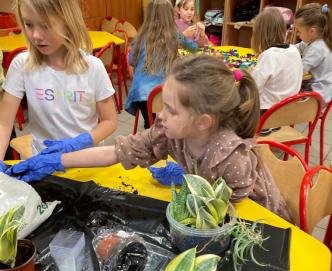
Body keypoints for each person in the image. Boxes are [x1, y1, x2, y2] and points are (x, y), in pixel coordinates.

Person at [7, 55, 292, 222]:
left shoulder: (232, 158)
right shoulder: (170, 131)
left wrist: (195, 181)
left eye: (171, 109)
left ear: (203, 122)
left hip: (261, 221)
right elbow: (116, 152)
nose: (160, 115)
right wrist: (57, 160)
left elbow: (236, 212)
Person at [0, 0, 117, 168]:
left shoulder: (93, 67)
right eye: (29, 24)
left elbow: (110, 121)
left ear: (68, 22)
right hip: (44, 164)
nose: (35, 35)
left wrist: (81, 141)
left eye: (45, 25)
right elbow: (4, 123)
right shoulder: (22, 65)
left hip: (87, 163)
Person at [126, 0, 198, 130]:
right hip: (164, 94)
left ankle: (151, 132)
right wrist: (189, 36)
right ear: (170, 15)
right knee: (167, 122)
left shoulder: (141, 36)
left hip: (141, 94)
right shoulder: (174, 35)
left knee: (151, 125)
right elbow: (193, 48)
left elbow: (131, 61)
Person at [251, 7, 303, 135]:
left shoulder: (269, 55)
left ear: (260, 33)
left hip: (266, 114)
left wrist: (249, 74)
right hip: (289, 112)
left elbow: (254, 89)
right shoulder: (294, 50)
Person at [294, 3, 332, 105]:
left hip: (318, 96)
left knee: (282, 95)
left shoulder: (318, 47)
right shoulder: (316, 40)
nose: (297, 34)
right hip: (320, 91)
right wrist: (285, 50)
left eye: (299, 31)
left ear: (312, 31)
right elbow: (298, 47)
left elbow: (300, 71)